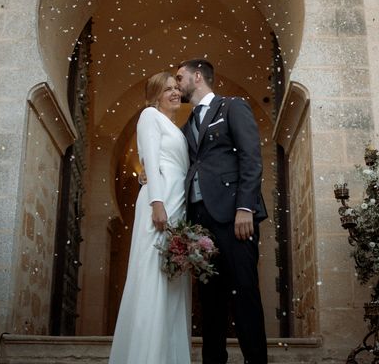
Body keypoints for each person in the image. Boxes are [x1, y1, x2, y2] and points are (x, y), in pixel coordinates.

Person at [176, 58, 268, 364]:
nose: (177, 84)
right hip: (199, 223)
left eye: (180, 77)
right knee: (209, 301)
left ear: (198, 77)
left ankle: (256, 360)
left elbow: (251, 158)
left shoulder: (232, 107)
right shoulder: (185, 126)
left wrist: (245, 207)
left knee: (244, 292)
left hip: (234, 216)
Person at [109, 71, 191, 364]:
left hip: (177, 207)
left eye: (176, 88)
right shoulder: (149, 116)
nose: (174, 93)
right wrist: (157, 202)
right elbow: (152, 161)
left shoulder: (175, 128)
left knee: (172, 283)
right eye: (167, 89)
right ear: (155, 95)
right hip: (161, 205)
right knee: (153, 277)